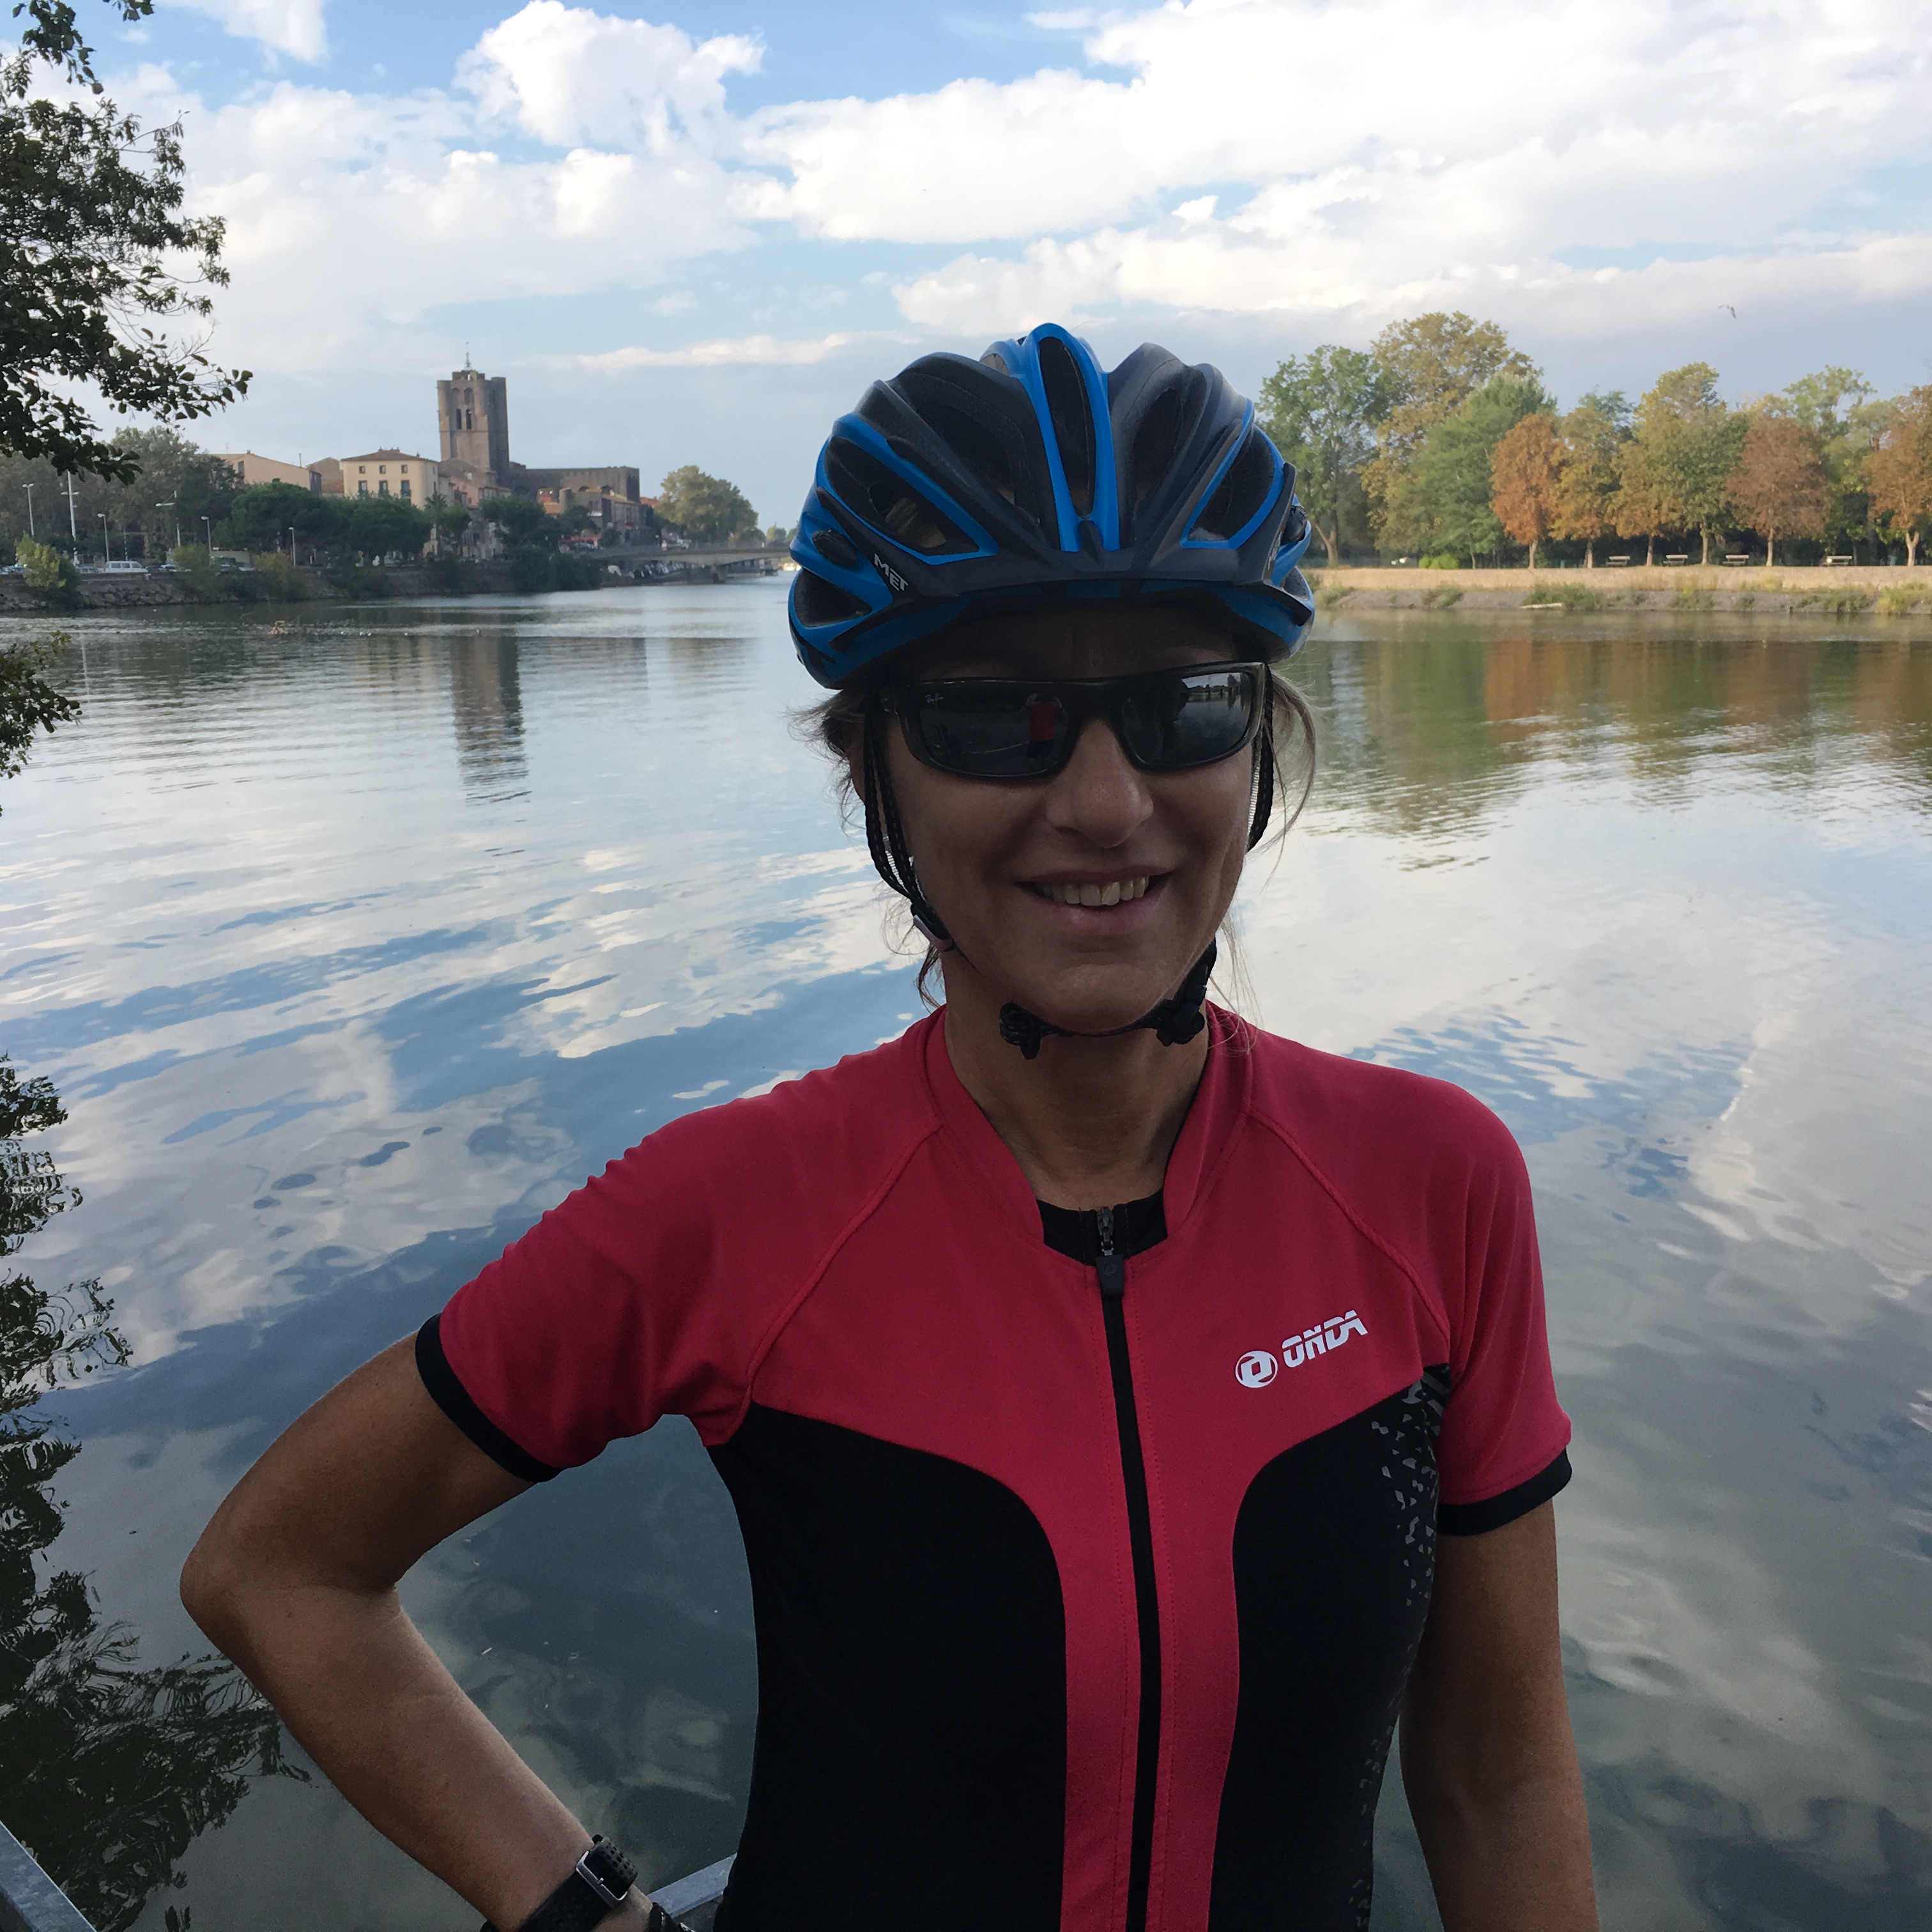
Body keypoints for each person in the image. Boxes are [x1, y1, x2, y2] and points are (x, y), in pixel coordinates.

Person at [182, 326, 1597, 1932]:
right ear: (873, 772)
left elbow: (1499, 1776)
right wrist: (583, 1917)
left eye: (1182, 705)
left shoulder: (1429, 1183)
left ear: (1257, 738)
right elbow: (280, 1570)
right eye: (996, 717)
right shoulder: (735, 1209)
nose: (1107, 802)